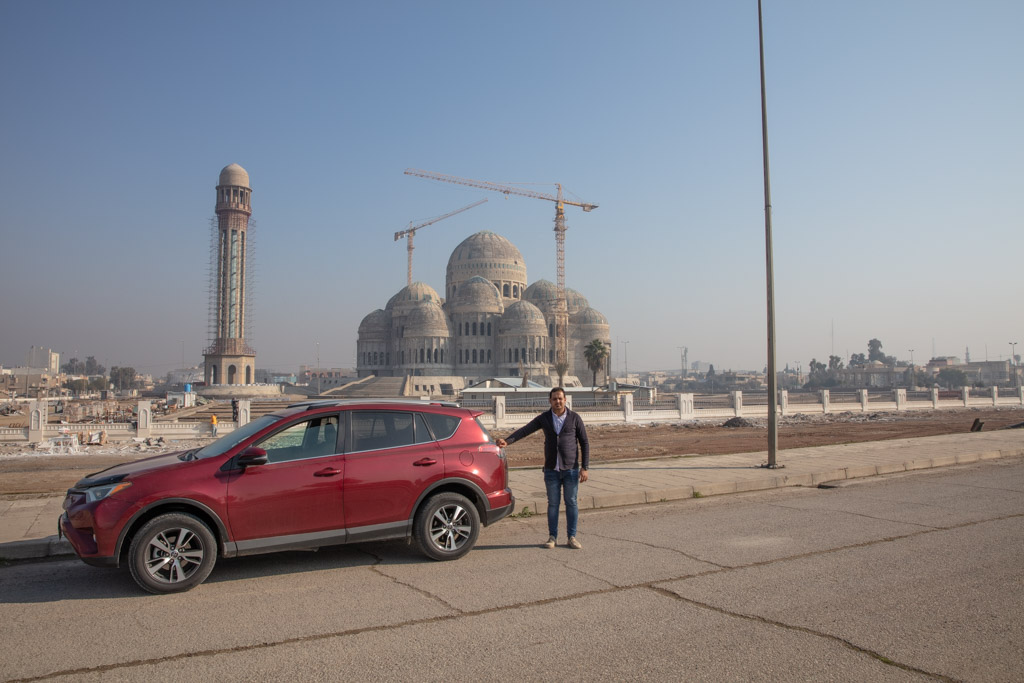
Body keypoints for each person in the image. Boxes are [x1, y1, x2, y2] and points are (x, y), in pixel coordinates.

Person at [496, 387, 589, 549]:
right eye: (554, 399)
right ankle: (552, 537)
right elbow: (526, 430)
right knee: (553, 504)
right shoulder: (544, 418)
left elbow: (584, 443)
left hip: (571, 469)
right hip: (551, 470)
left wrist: (585, 467)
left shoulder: (574, 418)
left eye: (560, 398)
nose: (558, 401)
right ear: (550, 401)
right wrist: (508, 441)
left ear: (565, 400)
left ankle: (571, 537)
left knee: (571, 502)